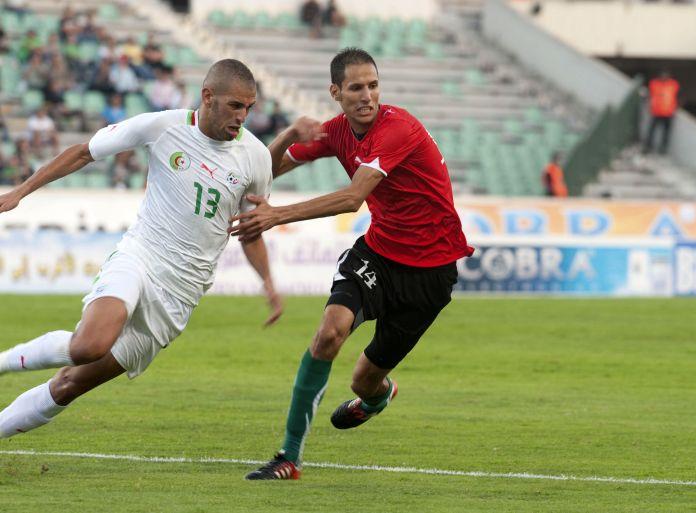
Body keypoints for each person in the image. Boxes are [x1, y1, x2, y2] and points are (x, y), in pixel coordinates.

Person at [0, 59, 314, 439]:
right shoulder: (163, 127)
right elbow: (85, 151)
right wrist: (21, 191)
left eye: (249, 107)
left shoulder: (257, 157)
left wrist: (268, 283)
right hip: (141, 257)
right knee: (89, 345)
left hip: (179, 295)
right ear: (208, 97)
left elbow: (250, 229)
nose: (242, 117)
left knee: (68, 385)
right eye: (235, 106)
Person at [236, 47, 473, 480]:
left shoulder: (396, 129)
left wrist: (275, 214)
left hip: (431, 273)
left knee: (364, 380)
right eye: (356, 88)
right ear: (336, 92)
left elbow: (352, 198)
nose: (367, 96)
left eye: (373, 86)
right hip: (379, 255)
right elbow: (265, 174)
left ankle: (375, 399)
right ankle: (288, 457)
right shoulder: (337, 132)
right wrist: (289, 134)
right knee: (329, 333)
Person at [644, 70, 679, 154]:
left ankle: (663, 148)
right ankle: (648, 146)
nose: (664, 77)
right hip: (656, 112)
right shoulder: (654, 84)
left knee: (666, 132)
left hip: (668, 113)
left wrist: (675, 107)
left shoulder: (673, 85)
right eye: (662, 75)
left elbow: (678, 96)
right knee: (651, 130)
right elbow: (649, 95)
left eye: (666, 75)